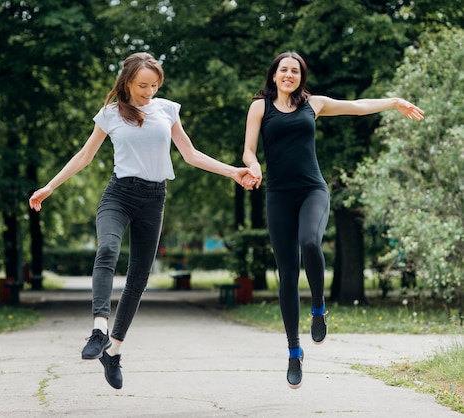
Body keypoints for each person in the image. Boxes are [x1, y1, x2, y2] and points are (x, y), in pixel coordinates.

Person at [29, 52, 256, 390]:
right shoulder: (110, 114)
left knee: (139, 276)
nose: (149, 92)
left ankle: (114, 352)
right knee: (107, 249)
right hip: (119, 195)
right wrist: (49, 186)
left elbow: (190, 155)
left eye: (154, 85)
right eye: (142, 86)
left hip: (154, 198)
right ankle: (98, 330)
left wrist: (233, 172)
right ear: (126, 83)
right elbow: (85, 155)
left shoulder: (167, 110)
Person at [242, 51, 424, 389]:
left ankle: (319, 306)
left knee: (310, 241)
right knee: (286, 274)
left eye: (295, 71)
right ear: (274, 75)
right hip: (278, 196)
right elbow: (248, 150)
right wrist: (252, 166)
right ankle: (294, 351)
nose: (288, 75)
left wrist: (394, 101)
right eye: (283, 70)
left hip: (313, 190)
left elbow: (356, 106)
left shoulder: (315, 104)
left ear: (301, 77)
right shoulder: (260, 107)